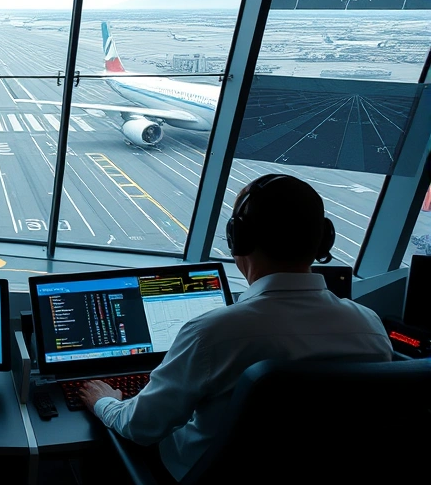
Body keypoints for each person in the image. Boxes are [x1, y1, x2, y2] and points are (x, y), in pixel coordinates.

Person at [79, 174, 392, 481]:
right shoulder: (370, 327)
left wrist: (105, 401)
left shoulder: (212, 333)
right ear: (323, 240)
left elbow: (141, 427)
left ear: (237, 239)